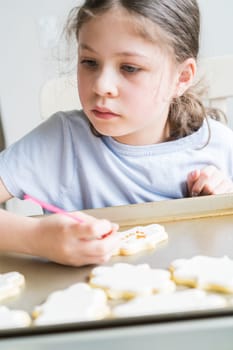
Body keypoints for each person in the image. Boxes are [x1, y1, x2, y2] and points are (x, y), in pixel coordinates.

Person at [0, 0, 233, 266]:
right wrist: (37, 238)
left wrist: (221, 209)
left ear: (181, 78)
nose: (102, 85)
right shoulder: (60, 143)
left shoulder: (220, 148)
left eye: (129, 68)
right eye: (89, 62)